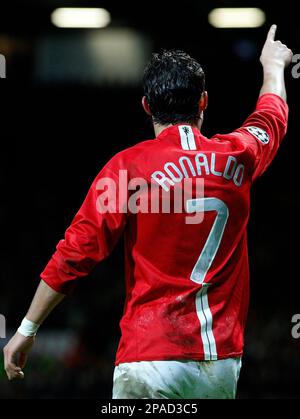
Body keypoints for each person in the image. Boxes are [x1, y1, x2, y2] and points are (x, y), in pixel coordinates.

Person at [3, 25, 292, 399]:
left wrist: (26, 330)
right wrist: (273, 66)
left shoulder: (127, 169)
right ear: (203, 101)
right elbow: (271, 118)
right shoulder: (239, 154)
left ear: (146, 105)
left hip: (150, 358)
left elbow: (75, 253)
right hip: (220, 363)